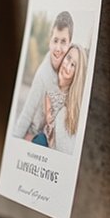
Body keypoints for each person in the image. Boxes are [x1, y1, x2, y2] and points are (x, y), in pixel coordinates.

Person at [13, 11, 73, 140]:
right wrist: (15, 142)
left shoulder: (70, 68)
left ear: (70, 44)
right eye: (55, 40)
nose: (58, 48)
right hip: (36, 135)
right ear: (49, 42)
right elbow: (27, 113)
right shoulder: (43, 75)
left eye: (63, 42)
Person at [32, 44, 88, 155]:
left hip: (51, 154)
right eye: (68, 58)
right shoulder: (48, 87)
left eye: (73, 65)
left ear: (77, 75)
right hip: (41, 142)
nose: (67, 67)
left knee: (40, 140)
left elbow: (62, 151)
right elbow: (36, 124)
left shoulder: (67, 111)